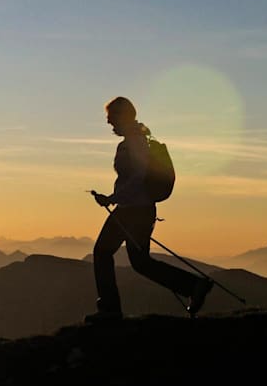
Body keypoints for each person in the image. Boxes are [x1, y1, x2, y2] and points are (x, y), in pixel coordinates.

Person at [87, 97, 213, 322]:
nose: (108, 123)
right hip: (140, 210)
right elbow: (136, 179)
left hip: (132, 211)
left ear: (121, 117)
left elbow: (137, 178)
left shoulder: (134, 143)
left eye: (111, 117)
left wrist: (112, 198)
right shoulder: (137, 140)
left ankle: (110, 310)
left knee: (102, 252)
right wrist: (113, 198)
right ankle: (194, 286)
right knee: (141, 263)